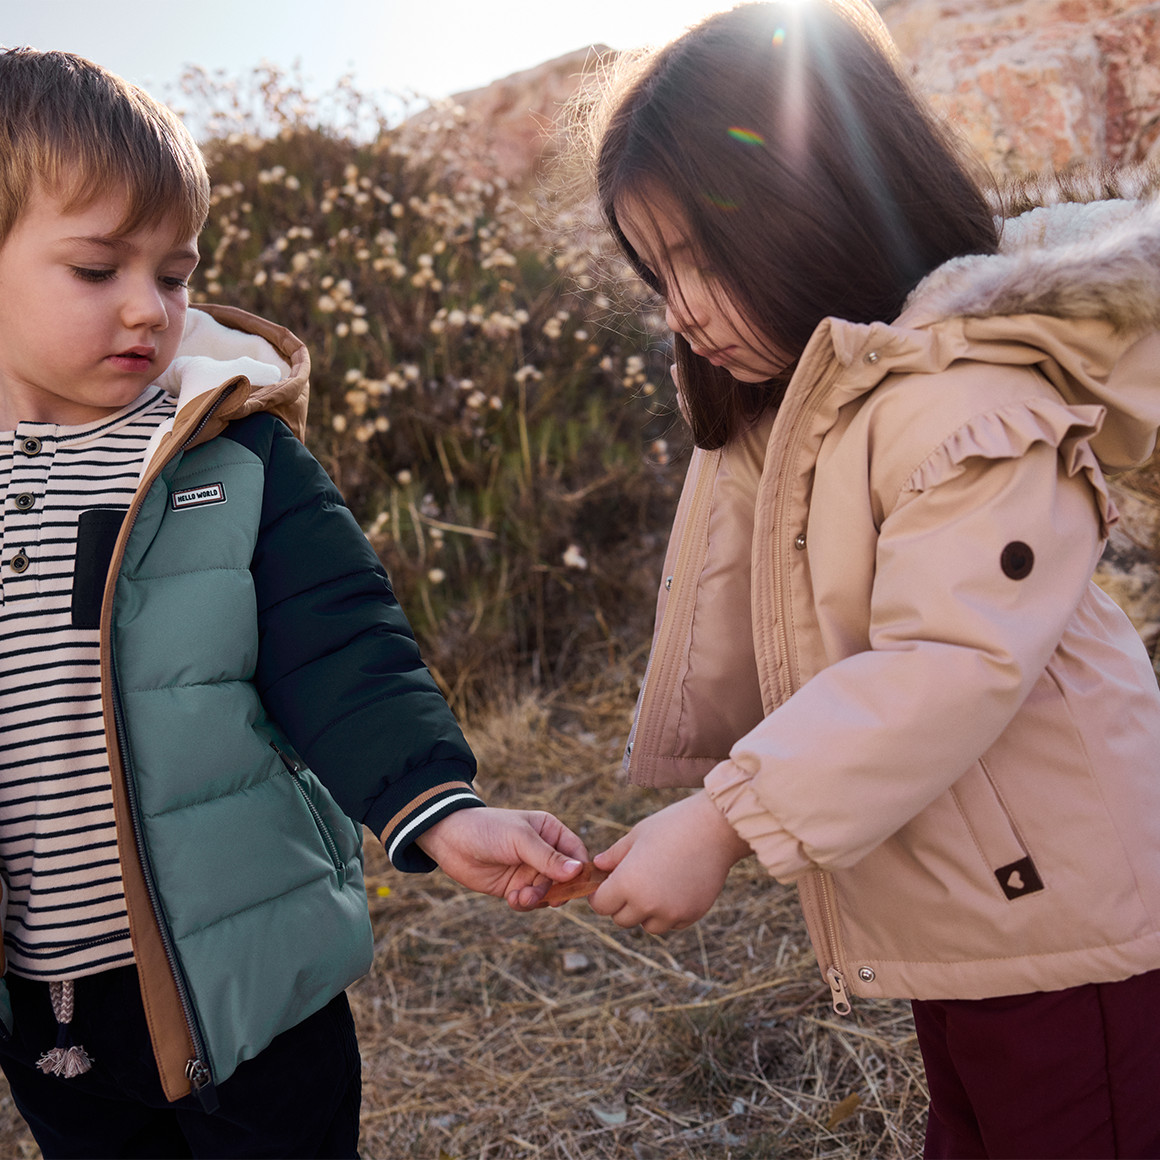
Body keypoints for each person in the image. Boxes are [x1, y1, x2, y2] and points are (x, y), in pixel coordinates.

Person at [579, 2, 1160, 1156]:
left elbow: (945, 664)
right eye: (656, 274)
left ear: (821, 200)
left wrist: (726, 814)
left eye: (700, 254)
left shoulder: (964, 401)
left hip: (1074, 916)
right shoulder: (814, 410)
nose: (680, 309)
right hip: (975, 903)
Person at [0, 46, 587, 1159]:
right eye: (95, 269)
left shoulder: (233, 455)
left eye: (173, 274)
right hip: (50, 1016)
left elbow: (342, 645)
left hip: (251, 982)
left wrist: (435, 806)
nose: (149, 306)